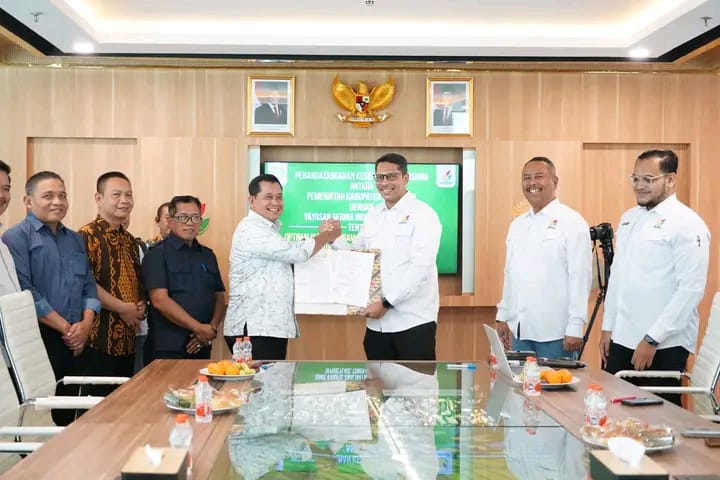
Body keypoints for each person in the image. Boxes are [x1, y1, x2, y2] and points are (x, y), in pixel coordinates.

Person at [600, 149, 710, 406]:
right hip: (622, 338)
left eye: (648, 179)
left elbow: (690, 290)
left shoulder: (687, 223)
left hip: (662, 345)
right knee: (615, 411)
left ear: (670, 179)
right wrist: (608, 327)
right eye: (635, 179)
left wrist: (652, 339)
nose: (639, 186)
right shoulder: (629, 218)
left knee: (659, 416)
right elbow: (618, 277)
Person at [2, 171, 100, 426]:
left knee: (71, 413)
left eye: (62, 196)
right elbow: (26, 292)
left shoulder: (75, 238)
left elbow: (89, 285)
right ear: (28, 201)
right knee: (41, 416)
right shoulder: (15, 237)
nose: (57, 202)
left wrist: (85, 325)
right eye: (48, 196)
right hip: (41, 337)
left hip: (79, 337)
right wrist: (67, 329)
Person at [333, 153, 442, 361]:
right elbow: (357, 256)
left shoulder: (423, 214)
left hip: (413, 323)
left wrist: (386, 303)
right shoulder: (373, 215)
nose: (384, 183)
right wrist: (333, 239)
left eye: (391, 176)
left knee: (415, 381)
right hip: (377, 326)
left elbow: (421, 267)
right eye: (379, 177)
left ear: (405, 178)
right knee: (377, 381)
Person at [224, 174, 341, 360]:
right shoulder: (251, 229)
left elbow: (292, 250)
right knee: (260, 378)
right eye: (268, 197)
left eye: (279, 197)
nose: (275, 202)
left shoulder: (270, 230)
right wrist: (327, 236)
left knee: (271, 377)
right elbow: (297, 253)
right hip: (254, 327)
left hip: (267, 327)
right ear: (252, 200)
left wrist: (322, 236)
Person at [495, 157, 592, 359]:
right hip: (521, 330)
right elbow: (510, 274)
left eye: (538, 177)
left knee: (555, 381)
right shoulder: (518, 224)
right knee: (521, 380)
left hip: (556, 333)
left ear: (554, 182)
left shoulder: (572, 222)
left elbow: (580, 276)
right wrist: (502, 315)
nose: (532, 183)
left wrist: (576, 325)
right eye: (526, 178)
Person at [77, 172, 144, 389]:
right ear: (98, 198)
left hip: (127, 341)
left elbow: (137, 279)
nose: (124, 200)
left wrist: (140, 305)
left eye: (128, 195)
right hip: (98, 339)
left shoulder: (130, 240)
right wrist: (122, 308)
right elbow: (85, 283)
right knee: (97, 404)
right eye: (116, 195)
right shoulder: (87, 235)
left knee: (123, 401)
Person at [142, 195, 225, 362]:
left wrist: (211, 329)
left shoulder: (208, 255)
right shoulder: (157, 254)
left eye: (195, 217)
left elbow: (219, 296)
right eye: (183, 217)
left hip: (202, 344)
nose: (190, 222)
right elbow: (159, 300)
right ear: (170, 221)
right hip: (167, 347)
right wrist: (198, 328)